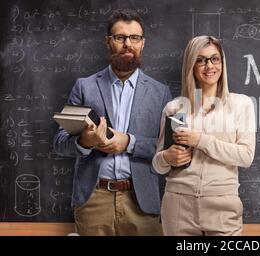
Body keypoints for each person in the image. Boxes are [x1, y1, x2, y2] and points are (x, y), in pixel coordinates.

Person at [53, 10, 172, 236]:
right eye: (120, 37)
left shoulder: (160, 93)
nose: (128, 44)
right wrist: (85, 142)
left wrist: (129, 142)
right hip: (93, 201)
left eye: (134, 38)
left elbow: (167, 148)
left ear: (142, 43)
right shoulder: (84, 87)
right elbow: (60, 142)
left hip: (142, 203)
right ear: (108, 42)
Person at [152, 35, 256, 236]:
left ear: (222, 63)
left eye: (215, 58)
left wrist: (201, 140)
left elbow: (245, 156)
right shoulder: (175, 107)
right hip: (178, 205)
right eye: (200, 60)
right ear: (191, 64)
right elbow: (158, 164)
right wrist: (167, 157)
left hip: (222, 206)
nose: (209, 66)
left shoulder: (241, 104)